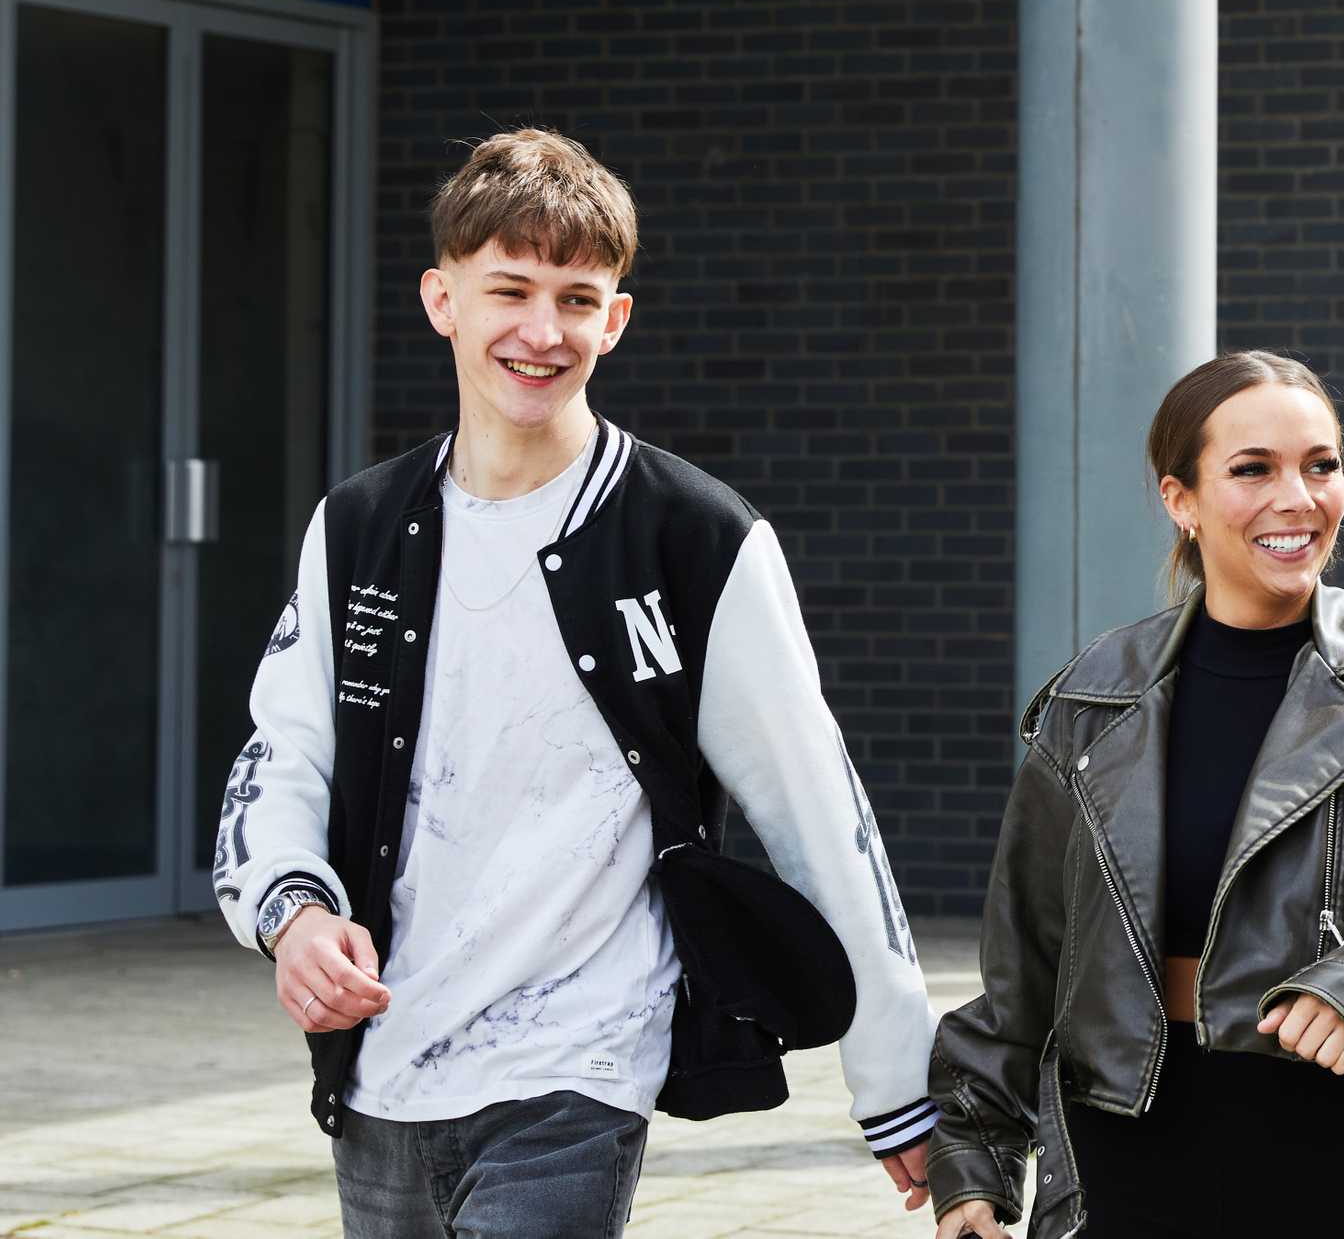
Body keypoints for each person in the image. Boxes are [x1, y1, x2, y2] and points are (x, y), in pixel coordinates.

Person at [210, 128, 938, 1237]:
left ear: (617, 318)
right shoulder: (359, 525)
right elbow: (286, 750)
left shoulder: (694, 536)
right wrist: (293, 913)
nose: (542, 331)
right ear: (440, 298)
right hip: (383, 1067)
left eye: (577, 297)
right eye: (508, 288)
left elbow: (818, 812)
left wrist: (900, 1086)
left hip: (581, 1067)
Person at [925, 350, 1344, 1239]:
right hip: (1122, 1152)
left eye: (1320, 465)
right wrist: (974, 1160)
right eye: (1253, 469)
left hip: (1330, 1146)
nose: (1298, 497)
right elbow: (1024, 958)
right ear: (1181, 499)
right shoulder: (1092, 699)